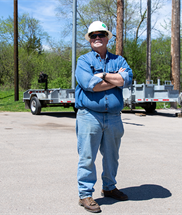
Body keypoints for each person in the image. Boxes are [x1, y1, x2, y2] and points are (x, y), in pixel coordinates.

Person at [75, 21, 133, 213]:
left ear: (107, 37)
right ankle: (85, 195)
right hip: (89, 116)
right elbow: (89, 84)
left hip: (114, 117)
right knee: (87, 157)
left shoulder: (119, 60)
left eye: (101, 34)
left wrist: (103, 75)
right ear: (89, 40)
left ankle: (109, 187)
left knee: (112, 157)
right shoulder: (83, 61)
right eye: (93, 35)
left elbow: (127, 80)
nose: (97, 38)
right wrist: (115, 79)